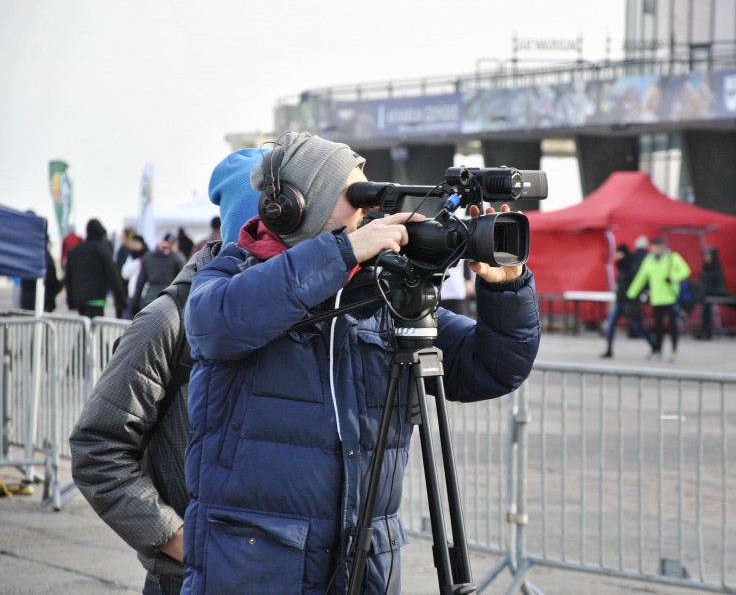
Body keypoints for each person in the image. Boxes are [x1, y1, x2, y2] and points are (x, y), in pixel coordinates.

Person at [181, 131, 541, 594]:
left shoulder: (383, 291)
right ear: (292, 204)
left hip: (362, 562)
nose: (366, 208)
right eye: (353, 194)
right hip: (255, 565)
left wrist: (507, 288)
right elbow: (218, 324)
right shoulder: (230, 272)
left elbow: (493, 366)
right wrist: (343, 252)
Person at [69, 148, 263, 595]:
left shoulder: (309, 316)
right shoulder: (169, 321)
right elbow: (97, 447)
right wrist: (180, 540)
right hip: (190, 581)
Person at [626, 237, 690, 362]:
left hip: (671, 298)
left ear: (664, 247)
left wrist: (673, 277)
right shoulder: (649, 260)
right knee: (658, 327)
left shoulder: (672, 257)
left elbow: (685, 270)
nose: (657, 249)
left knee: (673, 326)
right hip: (657, 298)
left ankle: (674, 351)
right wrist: (631, 294)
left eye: (659, 246)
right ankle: (658, 351)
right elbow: (641, 277)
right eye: (655, 247)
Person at [64, 218, 127, 318]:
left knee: (85, 326)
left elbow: (68, 277)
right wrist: (121, 299)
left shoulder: (75, 251)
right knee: (94, 328)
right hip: (97, 297)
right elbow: (113, 274)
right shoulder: (102, 250)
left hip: (78, 298)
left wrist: (70, 300)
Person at [601, 243, 655, 358]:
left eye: (618, 253)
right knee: (611, 325)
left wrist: (634, 295)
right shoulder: (621, 266)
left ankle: (654, 345)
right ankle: (609, 349)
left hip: (630, 301)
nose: (616, 256)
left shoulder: (632, 266)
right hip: (620, 300)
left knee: (637, 325)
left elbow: (640, 282)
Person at [131, 233, 187, 317]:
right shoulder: (177, 257)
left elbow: (140, 282)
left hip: (149, 302)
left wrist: (134, 305)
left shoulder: (149, 256)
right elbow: (184, 282)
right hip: (169, 303)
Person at [20, 231, 62, 313]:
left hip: (27, 301)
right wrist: (59, 286)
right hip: (43, 301)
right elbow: (51, 280)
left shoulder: (28, 256)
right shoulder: (46, 258)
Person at [695, 247, 725, 340]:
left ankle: (707, 331)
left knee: (707, 311)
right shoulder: (704, 266)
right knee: (704, 311)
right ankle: (703, 330)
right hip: (704, 292)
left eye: (708, 255)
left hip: (713, 292)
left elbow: (720, 281)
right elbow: (701, 278)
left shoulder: (716, 267)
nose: (706, 257)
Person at [120, 235, 149, 320]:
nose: (134, 245)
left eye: (136, 243)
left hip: (143, 296)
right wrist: (138, 261)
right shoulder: (131, 257)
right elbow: (124, 273)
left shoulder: (148, 257)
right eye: (132, 243)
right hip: (131, 295)